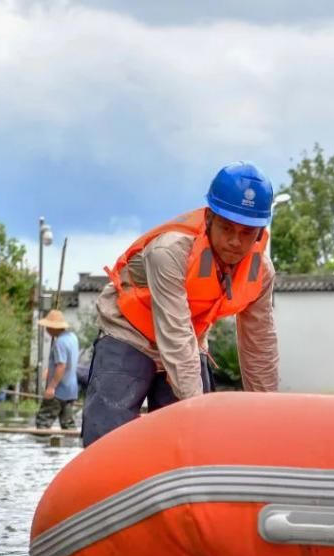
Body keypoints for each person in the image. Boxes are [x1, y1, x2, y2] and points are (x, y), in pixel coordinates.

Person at [82, 162, 279, 446]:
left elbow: (259, 345)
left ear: (260, 233)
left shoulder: (262, 271)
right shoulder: (170, 252)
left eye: (247, 233)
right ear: (209, 218)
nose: (235, 242)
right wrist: (194, 412)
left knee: (190, 440)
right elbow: (174, 336)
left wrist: (268, 419)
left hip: (189, 337)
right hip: (130, 330)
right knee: (110, 428)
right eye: (227, 228)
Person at [35, 310, 80, 430]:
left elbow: (61, 365)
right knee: (68, 424)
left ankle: (42, 447)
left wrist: (51, 387)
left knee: (43, 422)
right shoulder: (72, 337)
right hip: (71, 390)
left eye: (48, 327)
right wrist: (49, 371)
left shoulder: (60, 342)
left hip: (58, 391)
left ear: (53, 328)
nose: (46, 330)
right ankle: (70, 447)